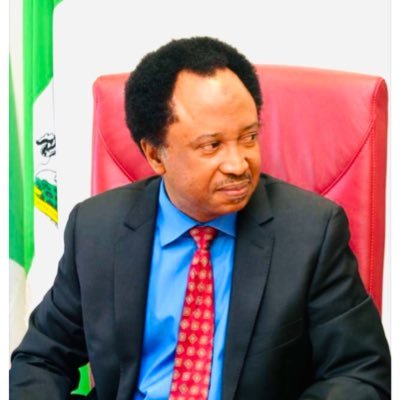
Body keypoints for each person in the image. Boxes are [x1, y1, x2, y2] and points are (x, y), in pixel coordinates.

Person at [10, 37, 390, 400]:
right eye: (212, 145)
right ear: (155, 154)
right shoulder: (96, 228)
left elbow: (359, 372)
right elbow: (40, 360)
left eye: (249, 138)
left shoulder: (312, 232)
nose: (238, 164)